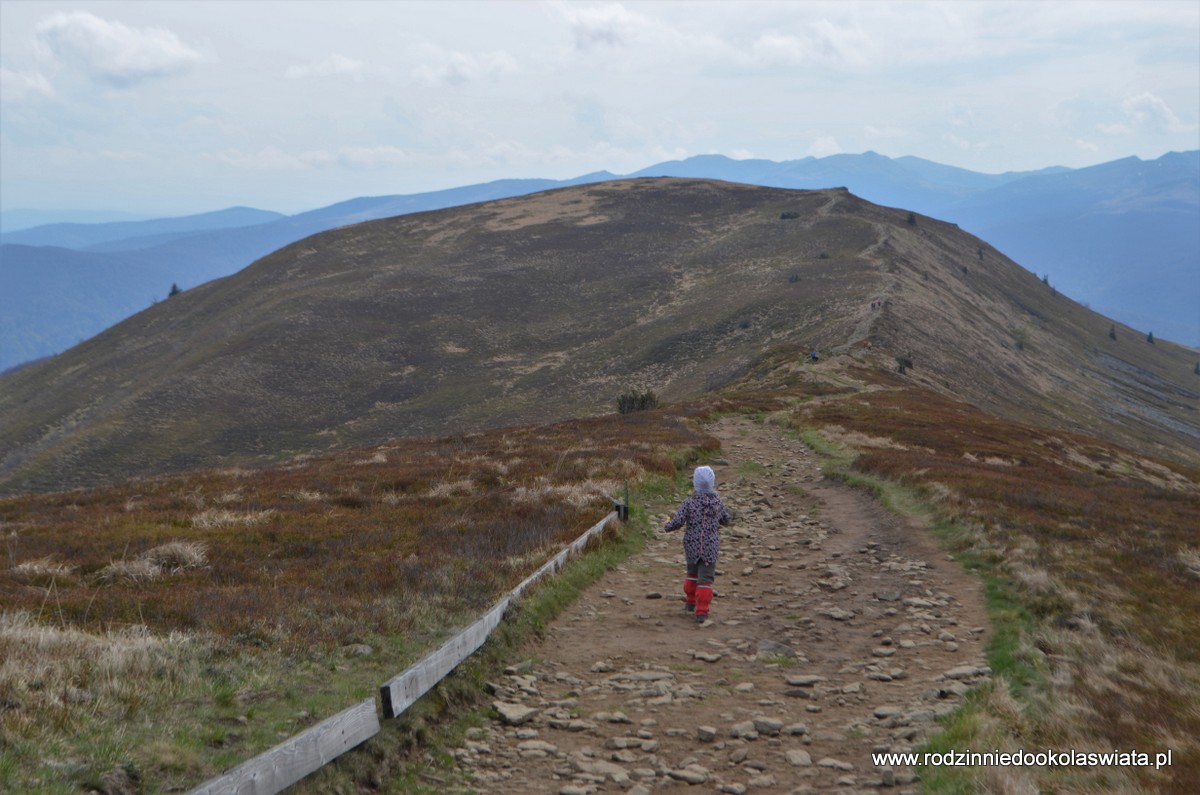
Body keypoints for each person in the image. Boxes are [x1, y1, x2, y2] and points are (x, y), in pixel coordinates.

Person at [662, 465, 731, 624]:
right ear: (712, 482)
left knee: (692, 574)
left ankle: (690, 602)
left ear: (695, 483)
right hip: (710, 546)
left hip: (691, 544)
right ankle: (702, 611)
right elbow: (726, 519)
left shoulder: (689, 503)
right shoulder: (717, 502)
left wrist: (667, 524)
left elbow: (677, 522)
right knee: (705, 579)